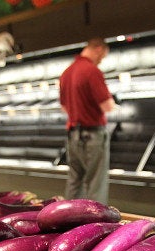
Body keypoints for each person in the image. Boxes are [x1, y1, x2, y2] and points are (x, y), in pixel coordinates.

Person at [59, 37, 116, 204]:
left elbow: (64, 107)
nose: (101, 61)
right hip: (93, 135)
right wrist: (114, 103)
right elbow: (107, 106)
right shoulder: (92, 71)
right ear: (98, 49)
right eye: (102, 57)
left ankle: (66, 221)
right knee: (95, 183)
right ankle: (97, 225)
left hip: (73, 134)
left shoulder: (66, 73)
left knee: (75, 181)